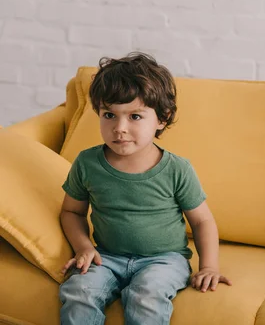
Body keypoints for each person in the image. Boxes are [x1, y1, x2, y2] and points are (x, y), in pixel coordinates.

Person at [59, 53, 231, 325]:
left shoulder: (177, 169)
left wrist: (208, 266)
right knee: (78, 291)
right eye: (109, 115)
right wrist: (83, 247)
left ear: (162, 119)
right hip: (107, 257)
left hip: (164, 261)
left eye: (135, 116)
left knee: (146, 296)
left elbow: (202, 221)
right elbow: (71, 212)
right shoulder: (87, 163)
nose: (120, 128)